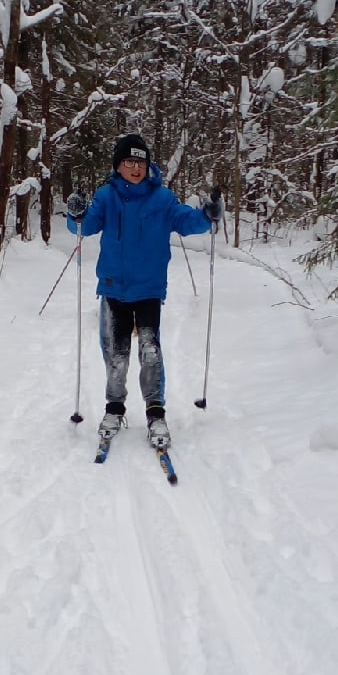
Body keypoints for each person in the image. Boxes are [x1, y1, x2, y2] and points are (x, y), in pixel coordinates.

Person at [66, 132, 223, 448]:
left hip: (149, 288)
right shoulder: (107, 196)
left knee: (150, 352)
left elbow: (187, 221)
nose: (136, 168)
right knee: (116, 356)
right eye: (129, 161)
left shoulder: (162, 199)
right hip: (113, 287)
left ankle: (155, 411)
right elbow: (84, 225)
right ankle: (114, 408)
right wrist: (76, 212)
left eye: (141, 161)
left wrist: (207, 216)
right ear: (118, 166)